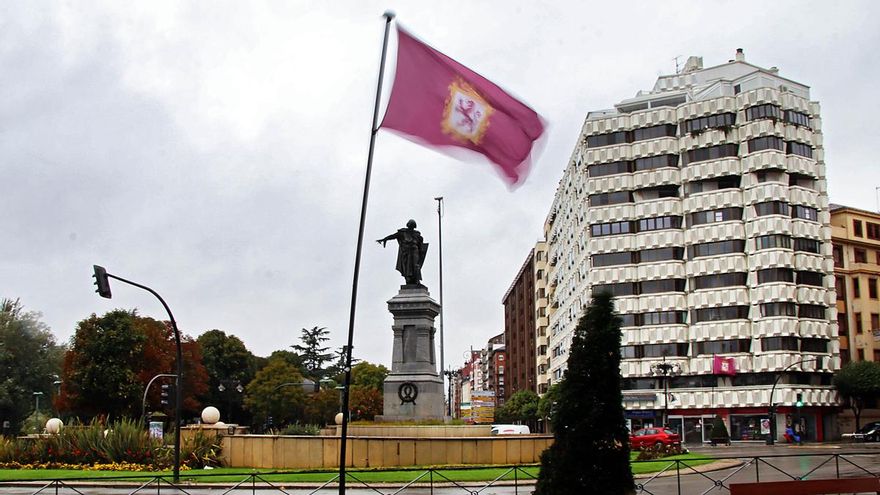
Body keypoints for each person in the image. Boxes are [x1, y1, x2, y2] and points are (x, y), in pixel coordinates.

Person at [377, 220, 429, 286]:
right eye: (411, 225)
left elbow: (420, 244)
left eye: (413, 225)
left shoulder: (417, 234)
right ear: (408, 225)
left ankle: (417, 280)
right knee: (407, 267)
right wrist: (384, 239)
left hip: (414, 251)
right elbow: (392, 236)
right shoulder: (402, 232)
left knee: (416, 265)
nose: (411, 227)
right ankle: (408, 280)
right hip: (406, 252)